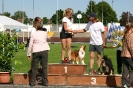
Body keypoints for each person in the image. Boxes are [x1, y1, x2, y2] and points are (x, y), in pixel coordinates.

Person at [27, 22, 50, 87]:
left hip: (36, 51)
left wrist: (28, 53)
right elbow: (49, 37)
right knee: (44, 67)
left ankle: (32, 83)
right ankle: (45, 82)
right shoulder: (45, 33)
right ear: (42, 27)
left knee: (34, 68)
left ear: (36, 27)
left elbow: (30, 44)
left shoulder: (33, 34)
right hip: (44, 51)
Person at [121, 23, 133, 87]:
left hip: (123, 55)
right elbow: (131, 47)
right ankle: (128, 83)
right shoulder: (131, 35)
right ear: (131, 28)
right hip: (129, 56)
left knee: (125, 71)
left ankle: (123, 84)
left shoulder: (125, 35)